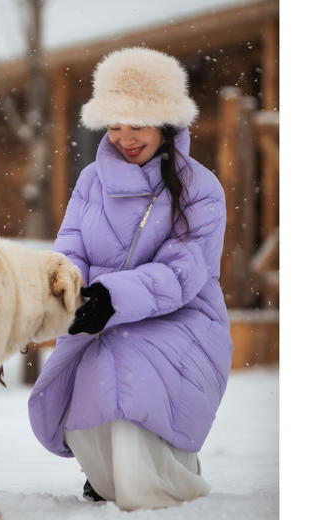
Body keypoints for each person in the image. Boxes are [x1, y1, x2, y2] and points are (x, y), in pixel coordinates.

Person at [28, 46, 233, 510]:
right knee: (96, 361)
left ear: (165, 122)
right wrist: (64, 296)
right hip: (102, 312)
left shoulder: (201, 189)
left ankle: (161, 474)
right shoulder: (90, 182)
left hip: (183, 319)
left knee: (129, 358)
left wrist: (110, 298)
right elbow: (70, 251)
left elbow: (182, 272)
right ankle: (107, 474)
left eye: (137, 124)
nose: (124, 136)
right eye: (114, 123)